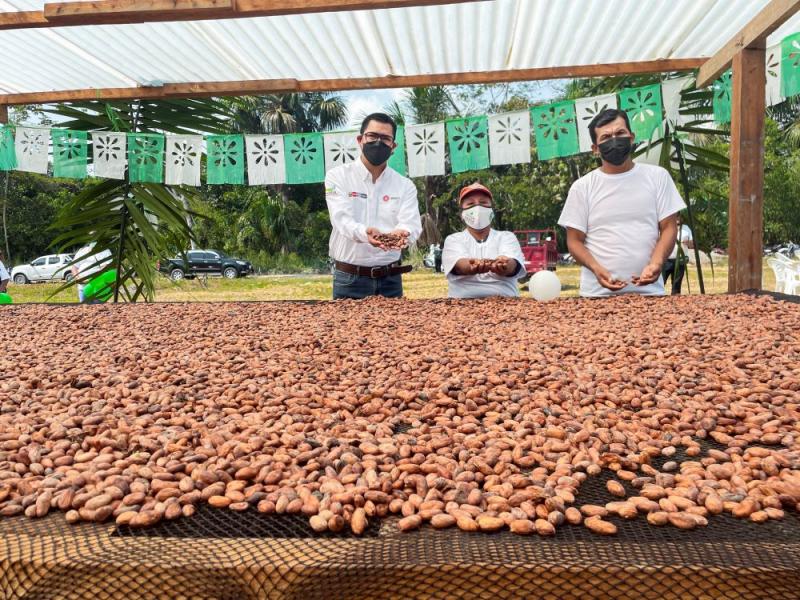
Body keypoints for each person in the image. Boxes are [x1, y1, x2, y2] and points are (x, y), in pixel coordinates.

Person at [558, 108, 685, 297]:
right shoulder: (582, 187)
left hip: (650, 292)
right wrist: (596, 269)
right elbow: (574, 241)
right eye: (606, 137)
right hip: (596, 295)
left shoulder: (658, 177)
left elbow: (668, 227)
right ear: (595, 148)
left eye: (620, 133)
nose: (614, 141)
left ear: (632, 137)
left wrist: (656, 263)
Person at [325, 113, 422, 299]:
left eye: (385, 139)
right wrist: (365, 233)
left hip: (391, 279)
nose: (378, 143)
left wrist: (403, 233)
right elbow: (341, 220)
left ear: (393, 146)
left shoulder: (405, 185)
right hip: (349, 278)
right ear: (360, 140)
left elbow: (412, 224)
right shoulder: (336, 177)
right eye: (372, 136)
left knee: (397, 328)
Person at [442, 182, 526, 298]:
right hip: (462, 303)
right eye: (470, 204)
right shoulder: (454, 239)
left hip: (506, 301)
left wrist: (505, 264)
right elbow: (459, 265)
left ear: (491, 211)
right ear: (462, 214)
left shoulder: (506, 237)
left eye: (483, 203)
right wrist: (471, 266)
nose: (477, 207)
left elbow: (513, 265)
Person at [662, 214, 694, 294]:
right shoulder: (665, 227)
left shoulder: (686, 229)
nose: (677, 218)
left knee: (677, 284)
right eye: (675, 216)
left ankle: (675, 302)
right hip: (667, 260)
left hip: (680, 260)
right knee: (661, 281)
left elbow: (692, 245)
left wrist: (687, 242)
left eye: (679, 216)